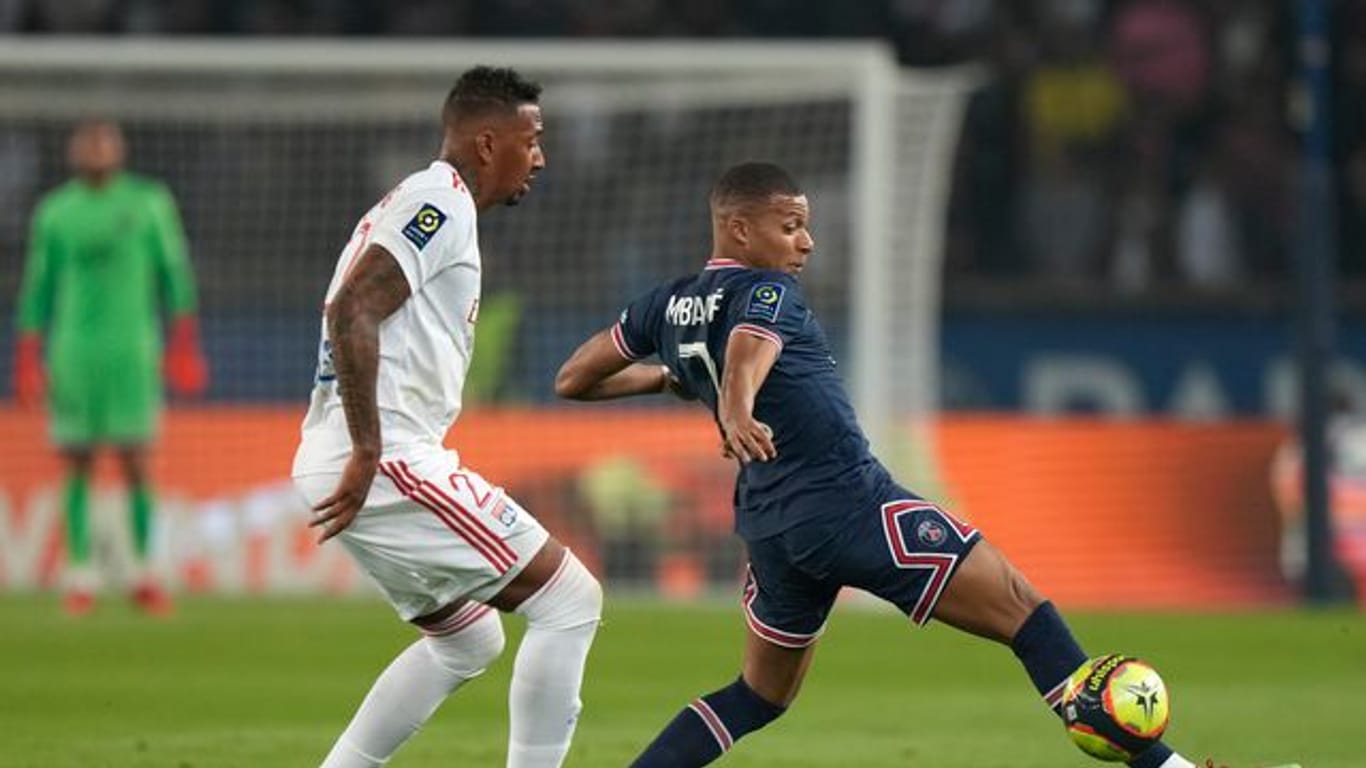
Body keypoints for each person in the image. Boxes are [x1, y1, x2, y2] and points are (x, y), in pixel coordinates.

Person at [554, 162, 1258, 768]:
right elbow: (748, 348)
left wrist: (671, 378)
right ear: (740, 230)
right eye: (791, 224)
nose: (807, 241)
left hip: (771, 527)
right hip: (849, 504)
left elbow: (574, 379)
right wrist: (733, 406)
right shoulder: (769, 292)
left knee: (757, 696)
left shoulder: (665, 303)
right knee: (1024, 612)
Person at [290, 66, 601, 768]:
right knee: (570, 598)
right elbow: (352, 308)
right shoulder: (440, 201)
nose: (541, 157)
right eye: (533, 139)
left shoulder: (433, 203)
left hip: (351, 454)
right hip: (384, 456)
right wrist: (371, 449)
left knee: (468, 640)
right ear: (488, 144)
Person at [13, 119, 208, 617]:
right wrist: (27, 355)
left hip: (133, 349)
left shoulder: (147, 202)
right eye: (88, 141)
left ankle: (145, 570)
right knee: (76, 460)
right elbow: (38, 284)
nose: (97, 149)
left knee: (137, 460)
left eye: (105, 140)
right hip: (74, 349)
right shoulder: (56, 211)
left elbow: (174, 272)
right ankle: (80, 574)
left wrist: (184, 344)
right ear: (74, 150)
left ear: (119, 149)